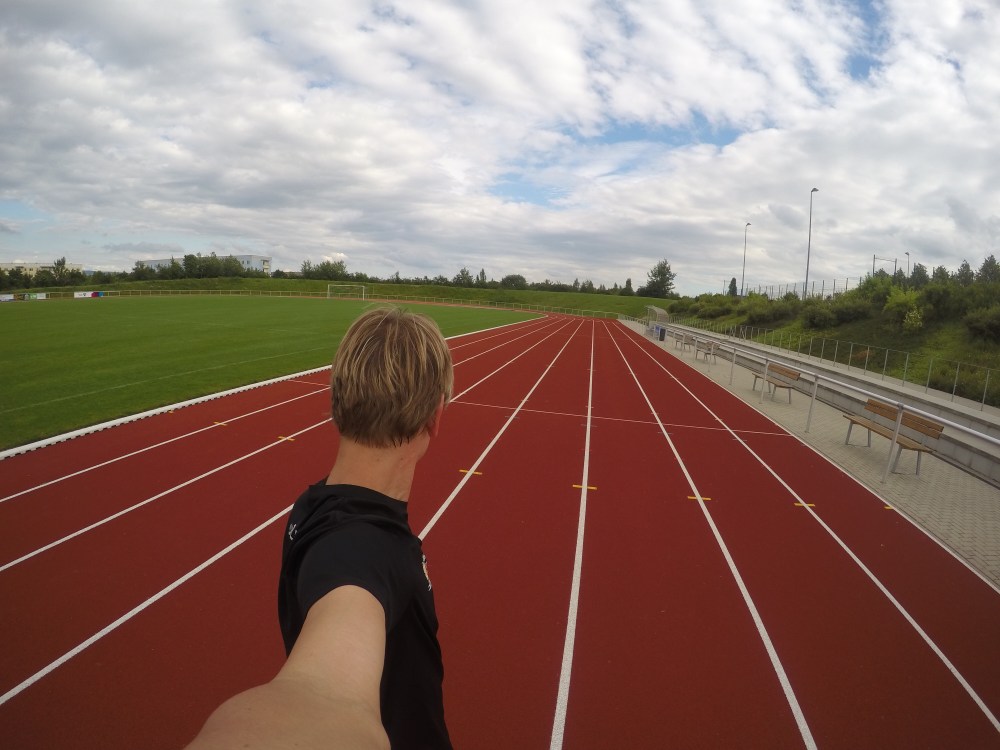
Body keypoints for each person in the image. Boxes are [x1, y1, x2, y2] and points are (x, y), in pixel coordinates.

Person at [187, 307, 454, 750]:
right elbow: (324, 694)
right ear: (435, 417)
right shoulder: (363, 557)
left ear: (339, 399)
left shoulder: (313, 505)